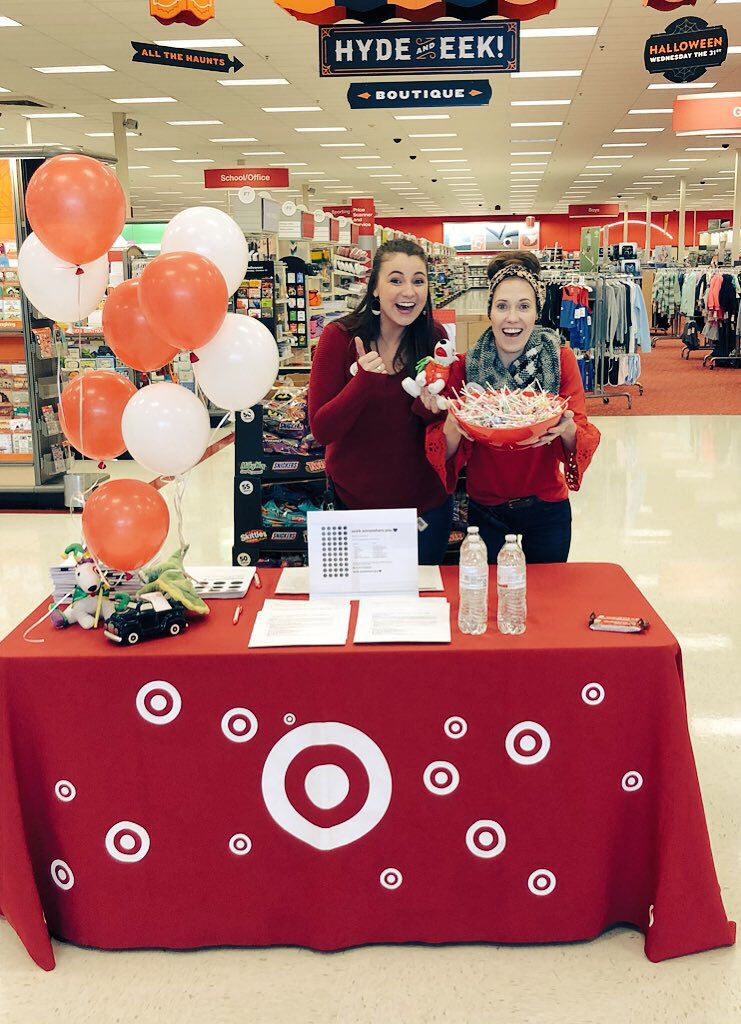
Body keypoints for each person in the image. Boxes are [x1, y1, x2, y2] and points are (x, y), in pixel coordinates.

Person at [422, 251, 601, 564]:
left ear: (537, 311)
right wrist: (452, 421)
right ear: (489, 311)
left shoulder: (559, 362)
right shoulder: (465, 368)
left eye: (523, 306)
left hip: (547, 507)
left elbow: (579, 435)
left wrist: (566, 428)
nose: (512, 318)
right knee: (490, 600)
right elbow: (444, 451)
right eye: (502, 306)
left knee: (548, 601)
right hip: (485, 509)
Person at [308, 239, 454, 564]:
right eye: (396, 279)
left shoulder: (435, 338)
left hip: (426, 512)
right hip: (355, 512)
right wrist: (363, 382)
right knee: (360, 610)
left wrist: (434, 408)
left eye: (418, 280)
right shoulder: (340, 338)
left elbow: (437, 429)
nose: (409, 291)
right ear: (374, 286)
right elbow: (321, 429)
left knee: (420, 608)